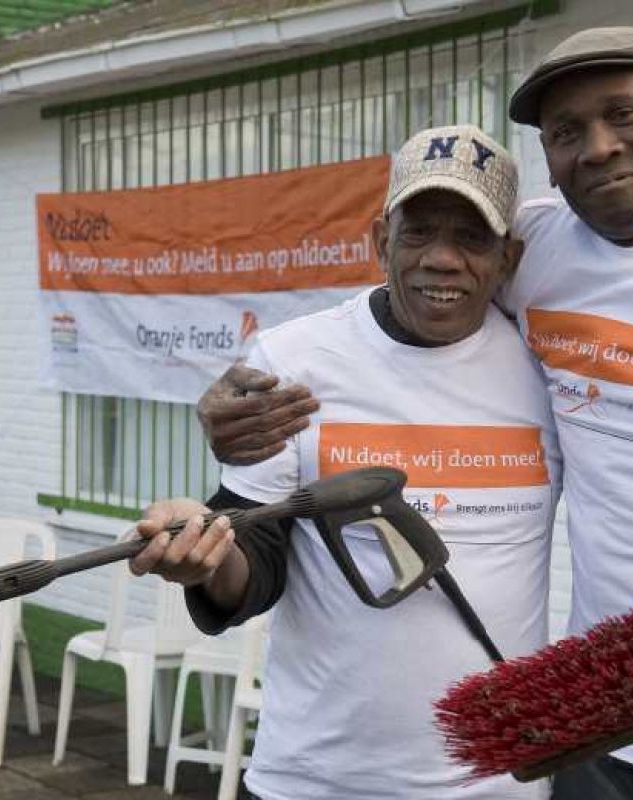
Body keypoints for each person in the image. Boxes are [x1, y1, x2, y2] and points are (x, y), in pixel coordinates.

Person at [194, 27, 633, 800]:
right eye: (567, 132)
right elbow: (403, 305)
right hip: (596, 742)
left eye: (623, 115)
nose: (599, 148)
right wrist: (226, 407)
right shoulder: (539, 246)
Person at [132, 125, 560, 799]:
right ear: (378, 241)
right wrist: (207, 557)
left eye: (470, 238)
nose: (442, 259)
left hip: (496, 784)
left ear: (507, 258)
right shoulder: (293, 361)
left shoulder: (548, 372)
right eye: (417, 232)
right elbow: (258, 553)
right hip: (313, 778)